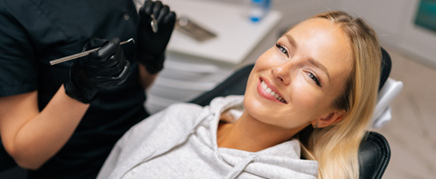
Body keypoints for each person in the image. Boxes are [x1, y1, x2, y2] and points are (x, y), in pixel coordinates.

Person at [97, 11, 382, 179]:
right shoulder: (180, 117)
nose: (281, 70)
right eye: (284, 49)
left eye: (312, 76)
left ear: (329, 115)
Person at [0, 0, 176, 178]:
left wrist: (152, 56)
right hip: (82, 164)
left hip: (143, 136)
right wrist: (80, 87)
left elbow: (136, 87)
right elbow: (26, 156)